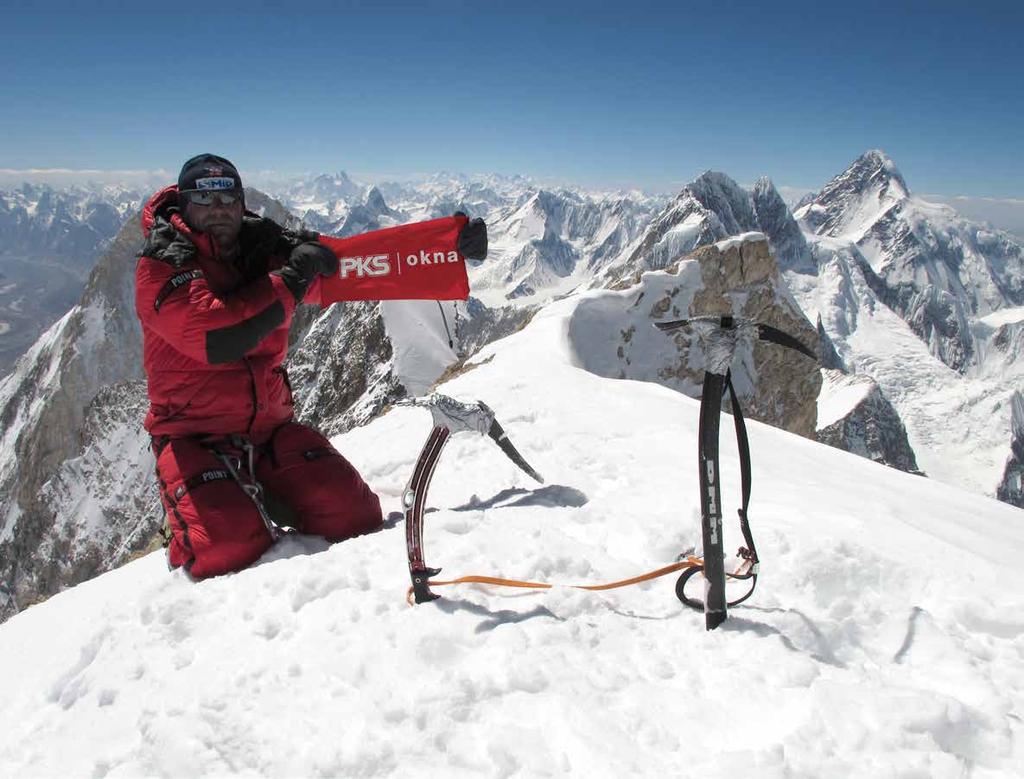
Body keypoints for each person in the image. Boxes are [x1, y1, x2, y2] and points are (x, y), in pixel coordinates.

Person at [135, 154, 486, 578]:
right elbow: (217, 335)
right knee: (224, 550)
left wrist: (448, 250)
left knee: (354, 515)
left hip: (268, 430)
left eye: (228, 197)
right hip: (194, 436)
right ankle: (201, 515)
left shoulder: (265, 248)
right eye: (205, 198)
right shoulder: (162, 262)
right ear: (185, 204)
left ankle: (249, 496)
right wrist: (292, 280)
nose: (219, 208)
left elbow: (355, 265)